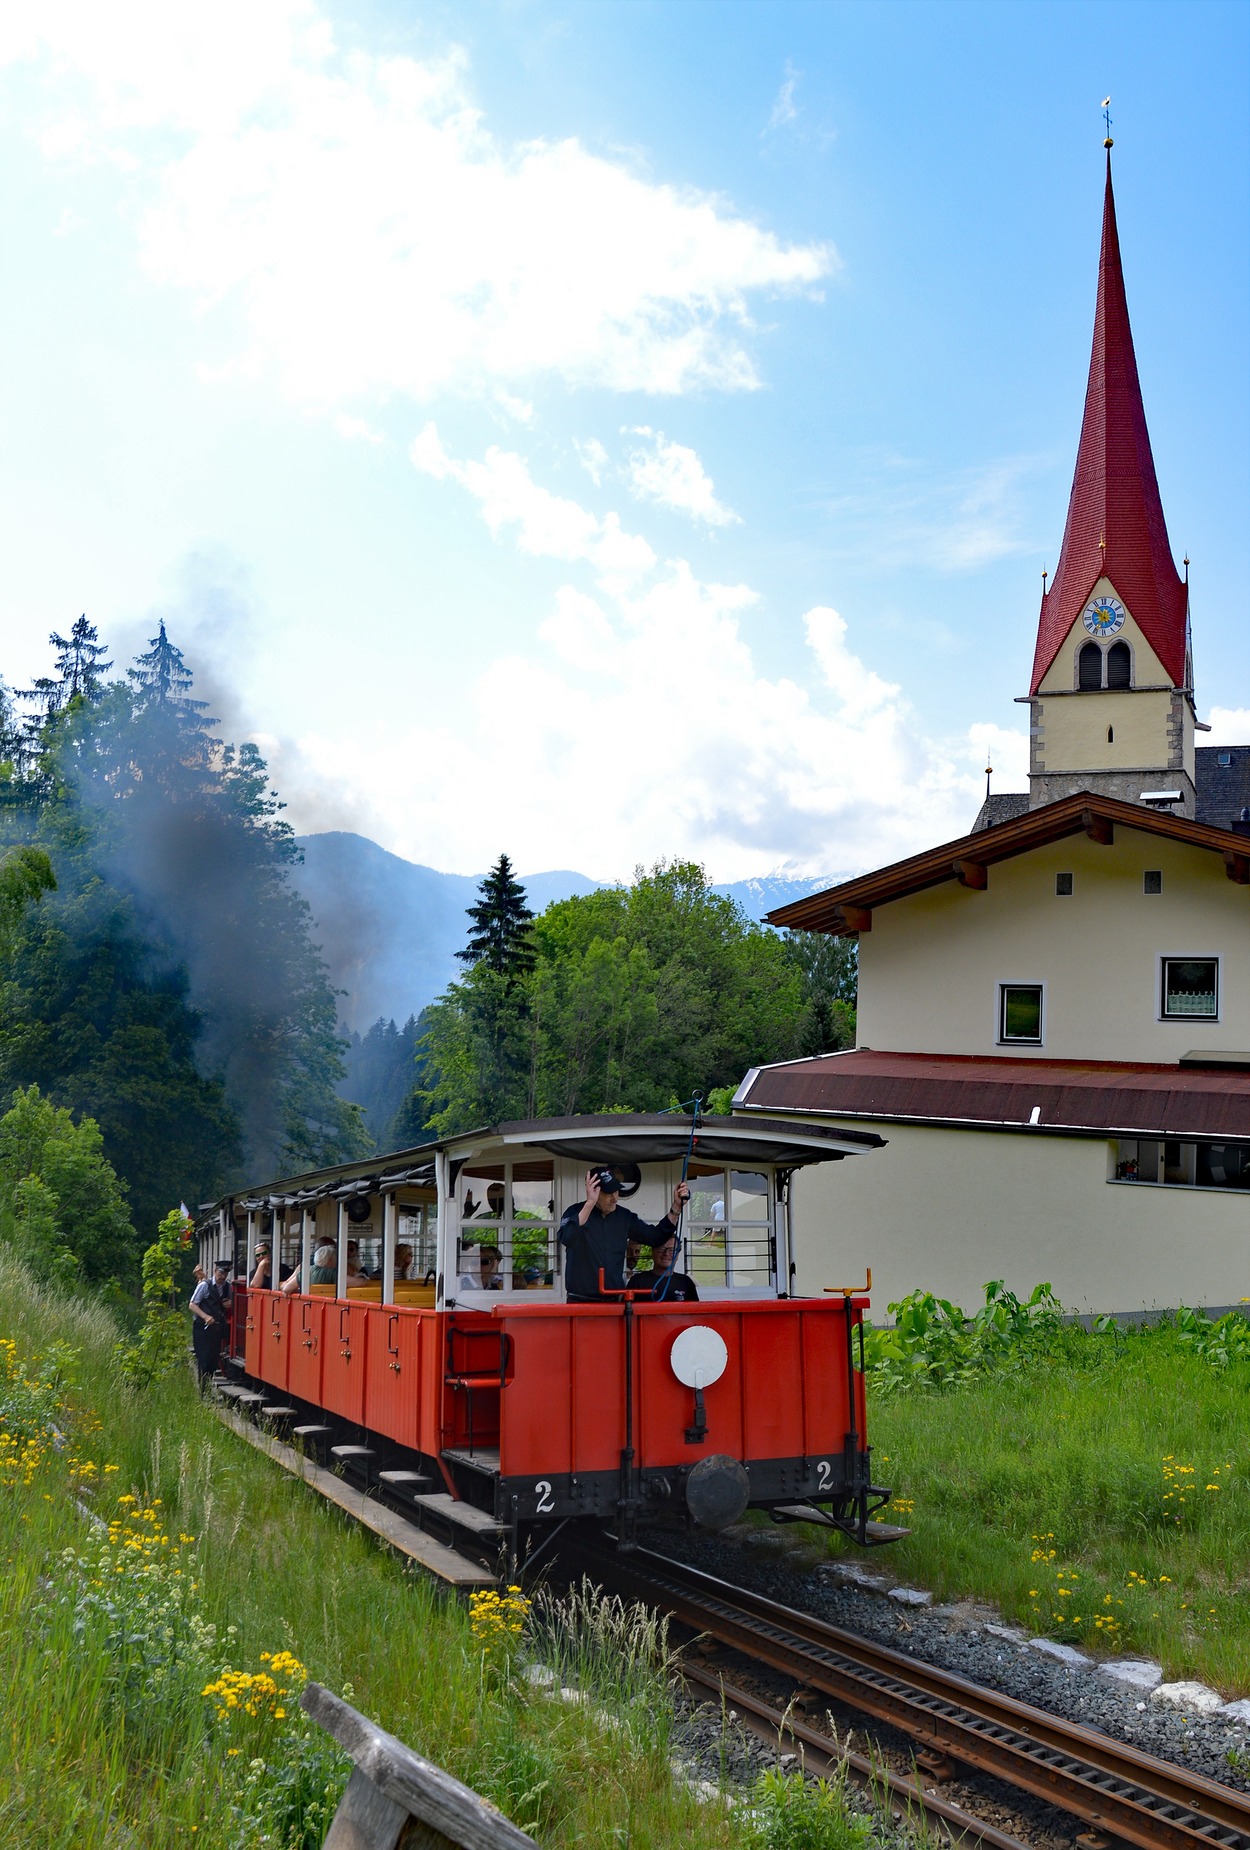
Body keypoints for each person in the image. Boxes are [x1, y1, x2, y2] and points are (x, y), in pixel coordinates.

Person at [558, 1168, 689, 1302]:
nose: (615, 1199)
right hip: (580, 1301)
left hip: (614, 1301)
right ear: (593, 1192)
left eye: (616, 1191)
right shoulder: (574, 1212)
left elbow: (656, 1237)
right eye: (609, 1193)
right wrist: (589, 1204)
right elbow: (567, 1238)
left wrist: (676, 1207)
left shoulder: (624, 1217)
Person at [190, 1263, 230, 1389]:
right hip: (202, 1328)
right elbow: (192, 1305)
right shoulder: (204, 1286)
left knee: (213, 1359)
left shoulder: (227, 1287)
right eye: (221, 1273)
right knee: (204, 1359)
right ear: (215, 1271)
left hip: (217, 1329)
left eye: (225, 1274)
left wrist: (229, 1305)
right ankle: (203, 1389)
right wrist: (205, 1316)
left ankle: (207, 1388)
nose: (222, 1276)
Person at [627, 1234, 699, 1302]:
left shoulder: (686, 1282)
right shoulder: (637, 1282)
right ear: (653, 1252)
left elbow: (695, 1312)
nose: (666, 1253)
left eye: (671, 1250)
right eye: (661, 1248)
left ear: (677, 1255)